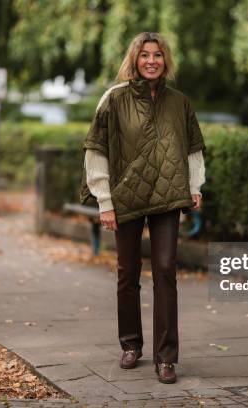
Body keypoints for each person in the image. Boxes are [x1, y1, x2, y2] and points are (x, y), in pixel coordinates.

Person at [80, 32, 205, 384]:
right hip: (126, 197)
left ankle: (166, 358)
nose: (152, 61)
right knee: (127, 271)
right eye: (145, 55)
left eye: (158, 55)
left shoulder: (180, 102)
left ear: (166, 61)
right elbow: (96, 148)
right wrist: (105, 200)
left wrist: (194, 186)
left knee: (165, 270)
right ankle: (131, 344)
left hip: (167, 195)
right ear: (134, 60)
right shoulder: (113, 99)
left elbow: (193, 147)